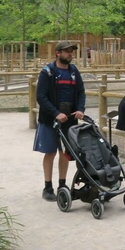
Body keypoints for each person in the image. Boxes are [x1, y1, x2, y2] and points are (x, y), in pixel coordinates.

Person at [34, 41, 85, 201]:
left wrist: (80, 109)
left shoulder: (74, 71)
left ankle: (62, 185)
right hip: (50, 120)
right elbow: (40, 97)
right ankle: (47, 187)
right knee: (50, 152)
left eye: (71, 51)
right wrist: (56, 113)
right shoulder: (47, 72)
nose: (70, 54)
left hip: (69, 120)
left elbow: (81, 92)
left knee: (65, 153)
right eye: (67, 51)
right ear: (58, 53)